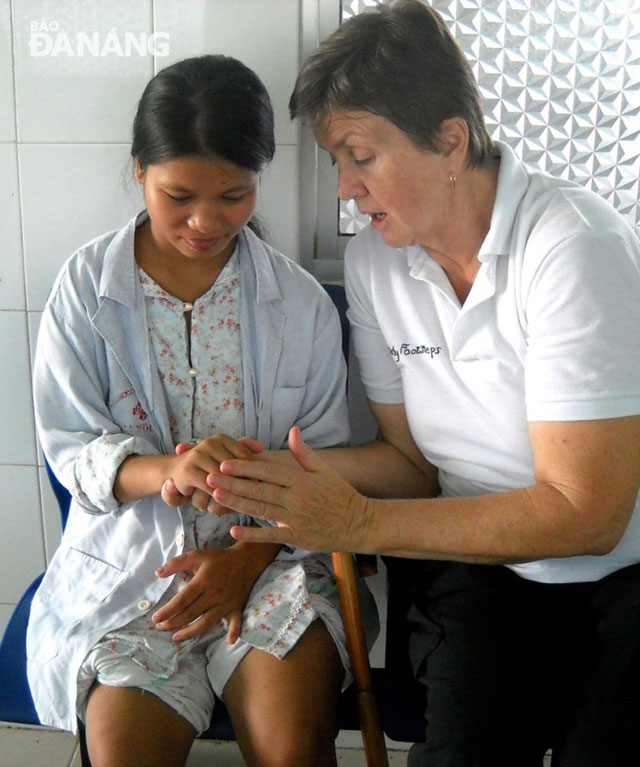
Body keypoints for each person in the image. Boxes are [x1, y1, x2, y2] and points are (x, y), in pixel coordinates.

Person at [202, 3, 640, 766]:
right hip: (474, 562)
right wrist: (264, 475)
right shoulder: (379, 262)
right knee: (466, 748)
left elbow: (587, 515)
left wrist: (357, 524)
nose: (345, 188)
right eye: (336, 160)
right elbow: (409, 461)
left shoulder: (574, 246)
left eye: (361, 156)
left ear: (450, 142)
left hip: (621, 567)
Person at [27, 54, 377, 767]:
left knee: (292, 750)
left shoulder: (301, 303)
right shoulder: (85, 289)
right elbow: (71, 446)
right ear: (138, 171)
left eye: (234, 196)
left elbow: (322, 466)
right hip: (135, 572)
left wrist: (246, 559)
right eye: (178, 193)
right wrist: (169, 468)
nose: (205, 221)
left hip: (275, 562)